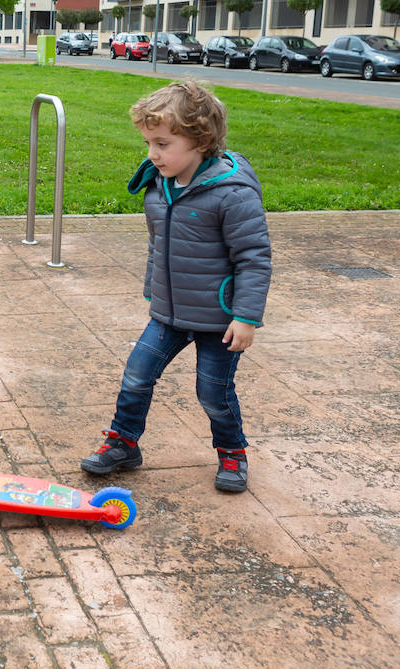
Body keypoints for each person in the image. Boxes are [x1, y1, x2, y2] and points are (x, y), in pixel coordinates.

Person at [81, 80, 271, 492]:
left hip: (218, 319)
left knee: (212, 393)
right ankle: (123, 443)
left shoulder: (231, 194)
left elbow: (253, 257)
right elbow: (159, 244)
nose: (152, 154)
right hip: (168, 314)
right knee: (136, 376)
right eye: (149, 143)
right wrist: (154, 287)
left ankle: (233, 453)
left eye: (163, 143)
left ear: (201, 141)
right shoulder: (158, 186)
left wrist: (246, 317)